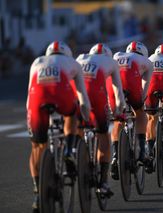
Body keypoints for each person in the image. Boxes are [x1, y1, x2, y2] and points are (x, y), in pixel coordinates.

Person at [26, 41, 91, 212]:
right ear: (67, 55)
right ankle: (69, 150)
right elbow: (83, 98)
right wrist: (85, 118)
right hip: (61, 95)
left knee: (37, 146)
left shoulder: (37, 62)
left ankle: (37, 190)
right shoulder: (73, 63)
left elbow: (29, 98)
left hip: (37, 98)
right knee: (72, 112)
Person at [76, 43, 125, 195]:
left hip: (75, 94)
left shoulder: (80, 58)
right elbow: (118, 93)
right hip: (96, 95)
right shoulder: (111, 62)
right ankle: (103, 182)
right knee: (103, 134)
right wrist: (118, 110)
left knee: (76, 125)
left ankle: (74, 152)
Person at [107, 41, 153, 180]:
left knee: (117, 120)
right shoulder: (146, 61)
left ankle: (115, 156)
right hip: (131, 84)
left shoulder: (116, 55)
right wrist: (138, 105)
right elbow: (145, 89)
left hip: (113, 87)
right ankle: (140, 153)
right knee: (140, 114)